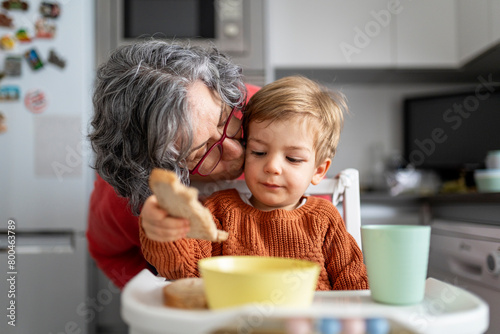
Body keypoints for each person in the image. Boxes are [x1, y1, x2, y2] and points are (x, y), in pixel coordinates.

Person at [140, 76, 368, 291]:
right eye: (259, 152)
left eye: (292, 159)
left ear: (318, 171)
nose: (272, 167)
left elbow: (354, 286)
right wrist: (164, 231)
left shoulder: (324, 219)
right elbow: (184, 270)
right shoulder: (220, 211)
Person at [87, 40, 259, 289]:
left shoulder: (265, 112)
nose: (236, 151)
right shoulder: (124, 201)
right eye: (201, 152)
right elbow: (111, 255)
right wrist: (160, 296)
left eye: (224, 120)